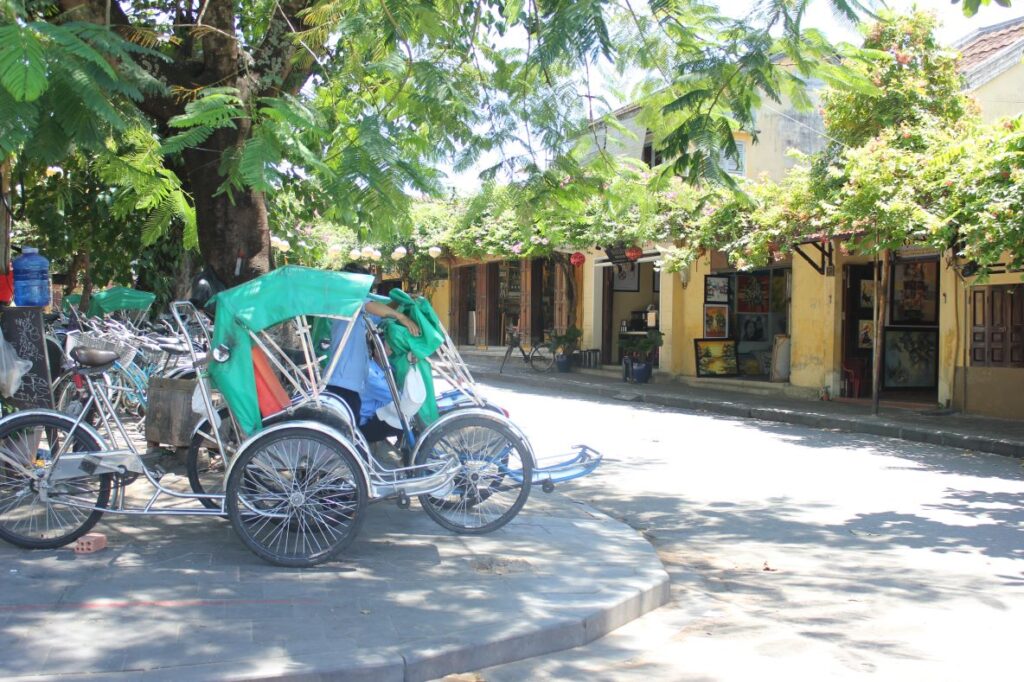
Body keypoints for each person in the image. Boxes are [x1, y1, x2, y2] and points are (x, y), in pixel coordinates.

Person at [325, 263, 421, 442]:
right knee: (345, 439)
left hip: (351, 383)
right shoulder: (348, 303)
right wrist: (401, 317)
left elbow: (380, 311)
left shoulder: (356, 308)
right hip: (342, 383)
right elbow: (371, 306)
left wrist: (401, 303)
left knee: (347, 437)